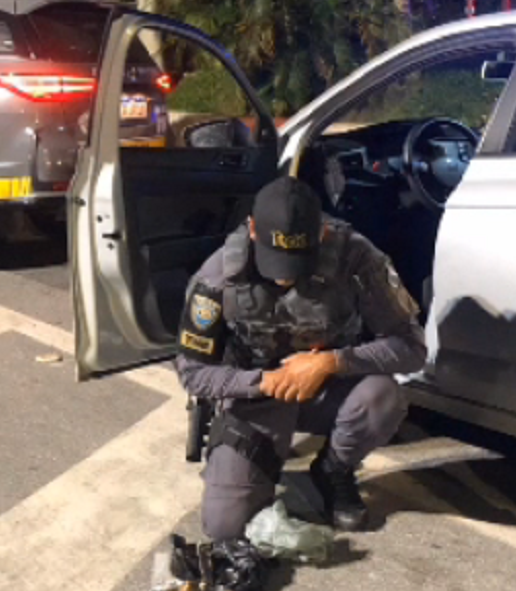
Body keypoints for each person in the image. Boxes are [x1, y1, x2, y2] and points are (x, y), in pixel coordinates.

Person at [175, 175, 425, 542]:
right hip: (256, 396)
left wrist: (331, 363)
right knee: (225, 528)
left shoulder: (357, 258)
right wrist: (265, 382)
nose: (285, 279)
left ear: (322, 233)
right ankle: (254, 464)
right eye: (274, 261)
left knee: (382, 397)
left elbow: (412, 348)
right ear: (252, 229)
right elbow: (192, 373)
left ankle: (333, 470)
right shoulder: (218, 276)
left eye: (297, 261)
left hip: (328, 388)